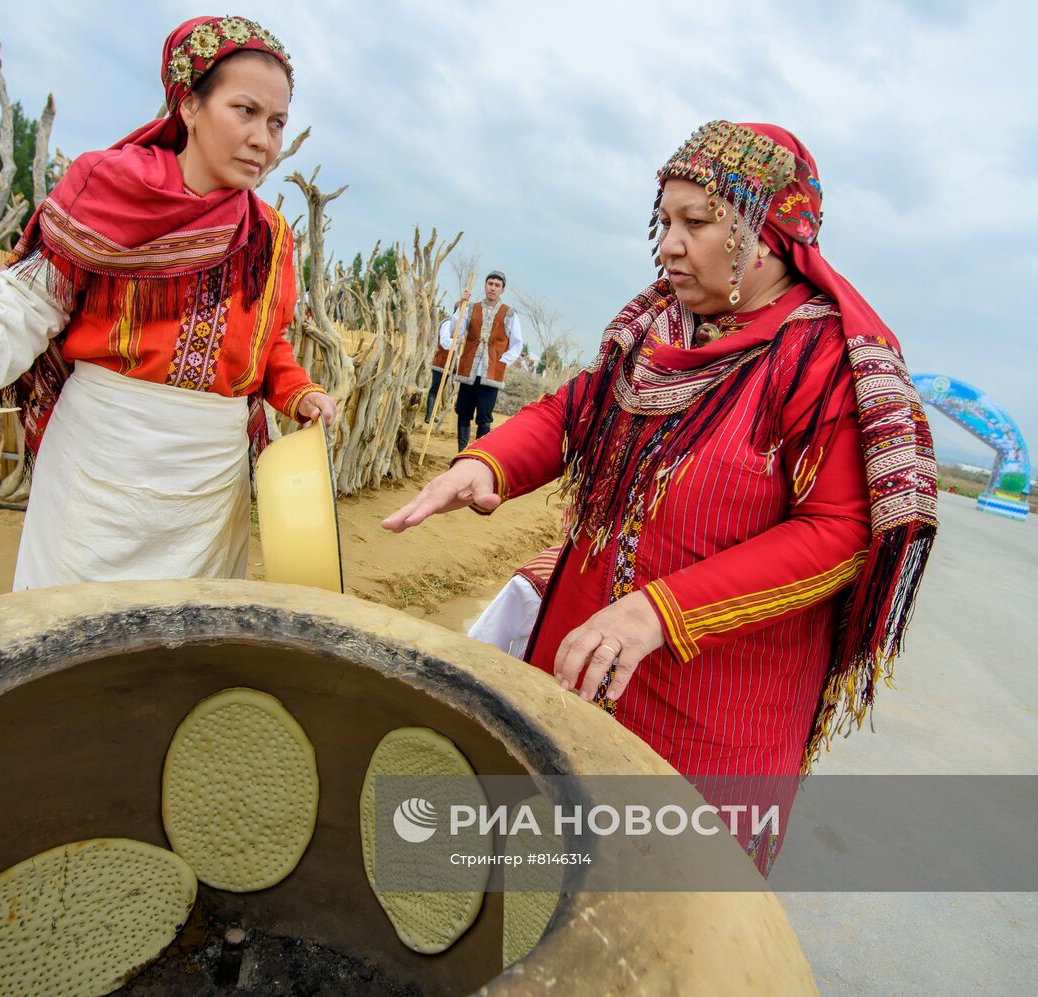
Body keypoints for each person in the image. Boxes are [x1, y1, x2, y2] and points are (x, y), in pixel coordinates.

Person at [384, 121, 938, 873]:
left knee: (652, 910)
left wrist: (658, 610)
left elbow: (840, 531)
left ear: (768, 233)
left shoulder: (822, 359)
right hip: (583, 650)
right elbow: (573, 409)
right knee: (533, 873)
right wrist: (485, 465)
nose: (668, 246)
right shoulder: (657, 327)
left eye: (696, 223)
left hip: (710, 699)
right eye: (665, 222)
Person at [0, 15, 336, 590]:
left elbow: (265, 339)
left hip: (210, 479)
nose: (263, 140)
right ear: (189, 105)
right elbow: (25, 309)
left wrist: (299, 393)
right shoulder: (105, 190)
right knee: (75, 636)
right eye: (244, 111)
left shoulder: (267, 234)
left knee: (184, 643)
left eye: (277, 122)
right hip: (102, 459)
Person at [449, 271, 524, 450]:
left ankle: (478, 455)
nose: (493, 288)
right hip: (469, 370)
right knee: (464, 411)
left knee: (484, 415)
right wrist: (462, 305)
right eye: (490, 284)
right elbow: (455, 331)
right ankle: (461, 451)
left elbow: (517, 343)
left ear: (502, 290)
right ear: (485, 286)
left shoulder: (509, 313)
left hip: (491, 373)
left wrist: (503, 360)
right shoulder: (471, 308)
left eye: (497, 285)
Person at [424, 310, 457, 424]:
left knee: (439, 390)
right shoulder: (448, 324)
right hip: (441, 361)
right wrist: (458, 341)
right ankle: (429, 415)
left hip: (448, 363)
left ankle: (433, 414)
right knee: (435, 388)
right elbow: (444, 342)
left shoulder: (457, 327)